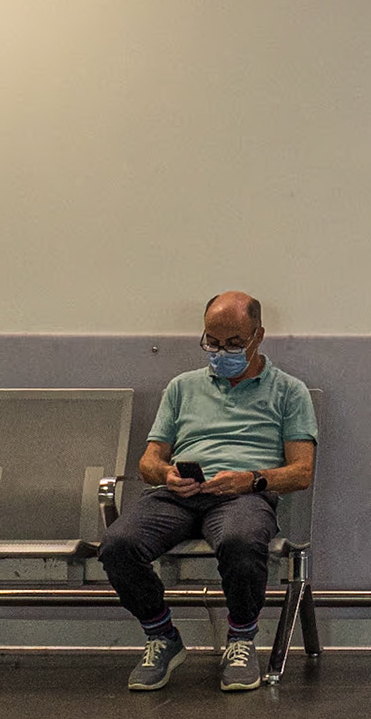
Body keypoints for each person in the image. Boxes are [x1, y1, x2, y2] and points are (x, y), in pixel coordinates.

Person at [99, 291, 317, 692]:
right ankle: (162, 636)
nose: (221, 352)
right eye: (212, 343)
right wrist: (167, 475)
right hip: (180, 493)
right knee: (117, 544)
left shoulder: (290, 392)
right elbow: (148, 462)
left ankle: (241, 640)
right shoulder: (182, 388)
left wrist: (250, 479)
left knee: (240, 540)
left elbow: (302, 472)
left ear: (258, 336)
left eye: (234, 344)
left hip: (243, 495)